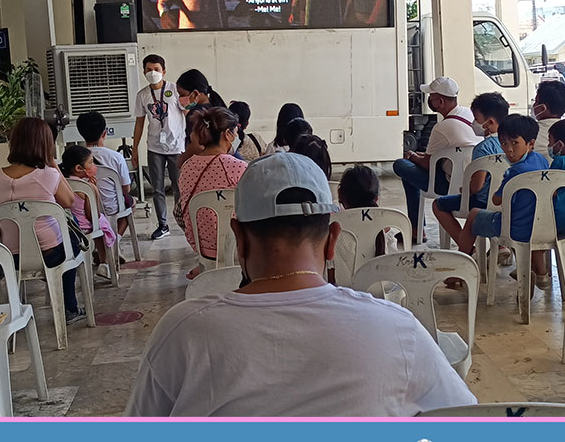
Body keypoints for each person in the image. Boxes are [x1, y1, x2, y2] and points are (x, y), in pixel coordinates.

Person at [125, 153, 476, 416]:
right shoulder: (397, 328)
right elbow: (464, 428)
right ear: (333, 238)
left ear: (239, 238)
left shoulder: (182, 331)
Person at [0, 118, 85, 323]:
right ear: (45, 144)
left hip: (11, 258)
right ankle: (69, 307)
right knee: (72, 231)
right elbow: (69, 201)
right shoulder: (49, 175)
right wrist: (52, 162)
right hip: (50, 254)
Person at [455, 115, 553, 289]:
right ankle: (537, 271)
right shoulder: (541, 160)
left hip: (515, 228)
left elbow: (496, 199)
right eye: (504, 143)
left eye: (514, 143)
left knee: (473, 215)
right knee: (524, 215)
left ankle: (459, 270)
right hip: (544, 225)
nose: (508, 149)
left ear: (530, 143)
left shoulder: (515, 172)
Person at [392, 77, 482, 231]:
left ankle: (416, 228)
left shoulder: (441, 127)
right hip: (473, 181)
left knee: (401, 165)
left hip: (449, 183)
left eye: (431, 97)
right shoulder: (468, 114)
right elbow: (434, 157)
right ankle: (416, 228)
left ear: (440, 101)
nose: (429, 100)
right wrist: (418, 156)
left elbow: (427, 164)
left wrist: (412, 156)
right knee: (412, 165)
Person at [431, 92, 510, 246]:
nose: (473, 123)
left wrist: (464, 188)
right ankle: (500, 247)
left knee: (438, 204)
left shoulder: (482, 148)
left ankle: (466, 246)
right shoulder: (514, 145)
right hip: (508, 200)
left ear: (490, 122)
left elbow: (477, 187)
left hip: (482, 202)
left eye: (476, 119)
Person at [178, 106, 248, 278]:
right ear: (227, 134)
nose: (236, 137)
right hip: (235, 247)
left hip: (203, 247)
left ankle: (205, 267)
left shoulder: (187, 167)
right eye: (235, 132)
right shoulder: (238, 167)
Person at [133, 54, 186, 240]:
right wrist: (134, 149)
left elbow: (187, 113)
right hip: (155, 146)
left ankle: (183, 219)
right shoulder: (142, 95)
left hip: (176, 146)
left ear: (163, 71)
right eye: (148, 70)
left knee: (179, 186)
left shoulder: (174, 90)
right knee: (158, 189)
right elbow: (139, 124)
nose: (152, 73)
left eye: (156, 69)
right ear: (143, 72)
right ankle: (163, 224)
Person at [76, 111, 133, 235]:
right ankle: (115, 239)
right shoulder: (116, 157)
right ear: (104, 133)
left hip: (86, 209)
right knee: (131, 202)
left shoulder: (76, 159)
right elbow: (126, 189)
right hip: (112, 208)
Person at [61, 145, 117, 267]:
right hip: (84, 225)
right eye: (90, 163)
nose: (93, 166)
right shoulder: (88, 188)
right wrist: (95, 191)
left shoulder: (63, 184)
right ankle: (106, 262)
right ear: (78, 168)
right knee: (102, 223)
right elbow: (93, 216)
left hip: (69, 225)